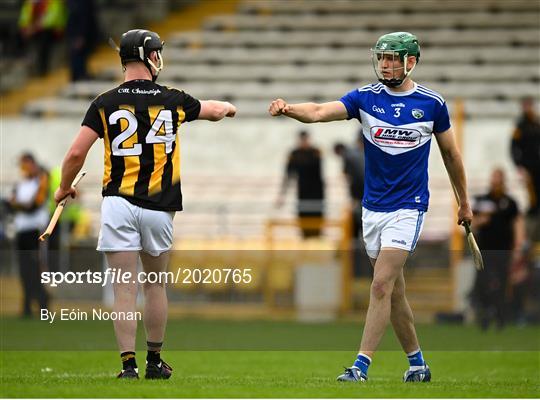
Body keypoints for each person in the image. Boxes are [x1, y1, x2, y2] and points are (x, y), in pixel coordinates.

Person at [269, 31, 472, 382]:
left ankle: (360, 366)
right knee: (394, 293)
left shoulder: (432, 104)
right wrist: (289, 109)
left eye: (393, 58)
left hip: (408, 207)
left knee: (380, 286)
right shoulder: (365, 98)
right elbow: (318, 112)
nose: (386, 64)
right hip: (372, 209)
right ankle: (418, 365)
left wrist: (464, 202)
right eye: (382, 58)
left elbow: (451, 155)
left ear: (411, 61)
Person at [53, 29, 236, 379]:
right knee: (155, 285)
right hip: (158, 206)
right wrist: (227, 107)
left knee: (123, 287)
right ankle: (154, 361)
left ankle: (128, 365)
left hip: (118, 204)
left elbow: (76, 152)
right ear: (150, 57)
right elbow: (212, 110)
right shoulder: (172, 98)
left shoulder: (104, 102)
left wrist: (63, 187)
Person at [471, 168, 525, 330]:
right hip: (484, 251)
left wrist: (518, 247)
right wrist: (483, 219)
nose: (495, 182)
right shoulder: (481, 201)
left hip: (504, 251)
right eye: (494, 178)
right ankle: (485, 315)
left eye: (498, 179)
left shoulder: (510, 202)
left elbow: (518, 225)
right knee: (483, 283)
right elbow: (470, 224)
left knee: (502, 283)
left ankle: (501, 317)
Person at [10, 153, 50, 317]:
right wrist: (19, 205)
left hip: (35, 231)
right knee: (24, 270)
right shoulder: (20, 183)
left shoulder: (41, 180)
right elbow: (13, 204)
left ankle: (42, 302)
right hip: (21, 231)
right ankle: (27, 304)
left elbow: (33, 205)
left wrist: (18, 204)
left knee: (35, 268)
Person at [277, 130, 325, 238]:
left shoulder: (316, 152)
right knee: (303, 219)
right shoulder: (294, 154)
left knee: (317, 219)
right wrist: (282, 195)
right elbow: (288, 175)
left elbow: (320, 173)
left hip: (317, 192)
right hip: (303, 192)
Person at [334, 134, 367, 277]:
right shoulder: (366, 154)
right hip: (372, 199)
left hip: (360, 200)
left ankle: (354, 265)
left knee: (356, 232)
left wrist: (353, 199)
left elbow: (350, 178)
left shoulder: (349, 156)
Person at [510, 97, 540, 243]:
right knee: (533, 200)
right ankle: (531, 236)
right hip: (528, 167)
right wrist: (519, 166)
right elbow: (513, 147)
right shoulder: (520, 126)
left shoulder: (537, 123)